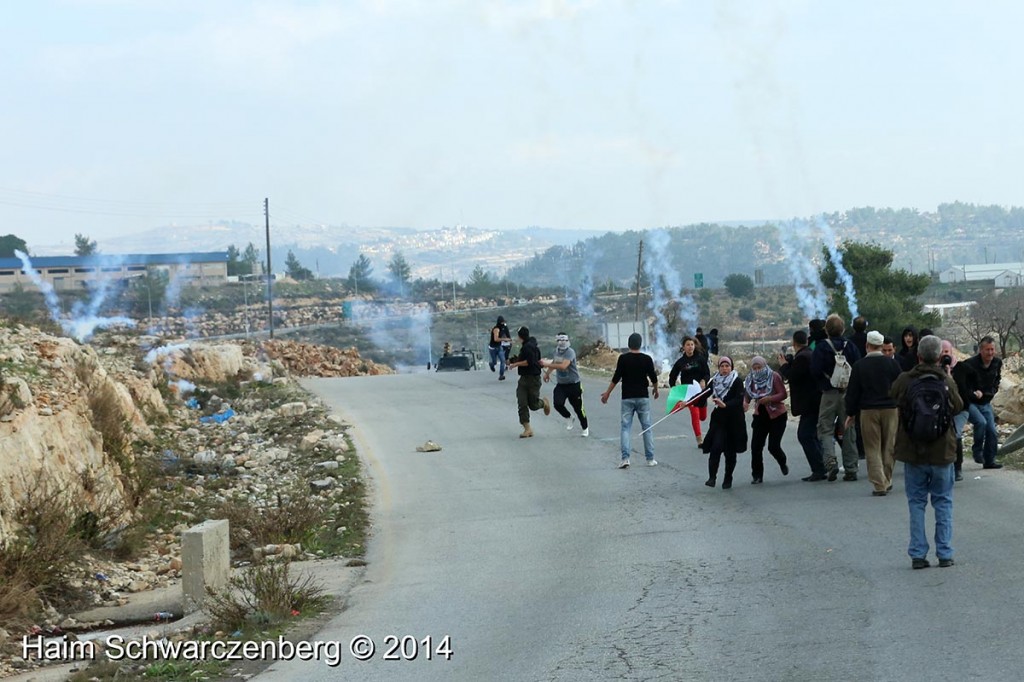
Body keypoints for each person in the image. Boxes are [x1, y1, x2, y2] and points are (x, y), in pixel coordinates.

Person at [890, 335, 963, 569]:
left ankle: (918, 554)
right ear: (939, 356)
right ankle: (945, 553)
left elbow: (893, 396)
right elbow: (959, 405)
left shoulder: (905, 379)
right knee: (943, 502)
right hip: (942, 451)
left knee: (916, 502)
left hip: (913, 451)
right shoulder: (945, 380)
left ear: (918, 356)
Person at [844, 331, 902, 496]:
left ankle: (879, 484)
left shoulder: (859, 366)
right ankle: (887, 479)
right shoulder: (892, 364)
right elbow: (901, 387)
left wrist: (850, 413)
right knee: (889, 446)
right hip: (890, 409)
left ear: (867, 346)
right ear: (882, 346)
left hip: (868, 411)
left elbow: (853, 392)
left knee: (872, 448)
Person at [811, 314, 862, 481]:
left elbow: (815, 370)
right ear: (843, 329)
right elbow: (858, 366)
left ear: (826, 330)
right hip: (847, 393)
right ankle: (851, 468)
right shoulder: (851, 346)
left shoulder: (821, 347)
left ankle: (830, 461)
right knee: (848, 429)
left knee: (825, 428)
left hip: (829, 393)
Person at [601, 332, 659, 469]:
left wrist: (607, 393)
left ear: (628, 344)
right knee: (647, 428)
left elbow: (616, 378)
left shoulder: (623, 358)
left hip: (627, 397)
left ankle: (625, 458)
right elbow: (654, 377)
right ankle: (650, 458)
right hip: (643, 397)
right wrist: (656, 390)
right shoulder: (647, 359)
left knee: (625, 428)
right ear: (641, 344)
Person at [779, 330, 826, 481]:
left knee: (805, 435)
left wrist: (784, 366)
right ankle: (822, 466)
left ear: (794, 343)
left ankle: (819, 468)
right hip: (815, 401)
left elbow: (793, 376)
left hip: (809, 403)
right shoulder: (809, 354)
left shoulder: (803, 358)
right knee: (812, 435)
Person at [701, 356, 747, 489]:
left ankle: (728, 478)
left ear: (731, 367)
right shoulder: (715, 381)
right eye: (722, 366)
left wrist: (725, 404)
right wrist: (688, 402)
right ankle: (712, 477)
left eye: (727, 366)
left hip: (734, 420)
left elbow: (739, 399)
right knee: (715, 448)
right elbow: (703, 395)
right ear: (719, 368)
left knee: (730, 452)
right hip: (719, 420)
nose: (725, 369)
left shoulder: (737, 381)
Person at [743, 355, 789, 484]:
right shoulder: (751, 378)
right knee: (756, 446)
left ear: (765, 366)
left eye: (759, 367)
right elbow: (747, 393)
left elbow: (783, 394)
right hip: (760, 415)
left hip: (777, 415)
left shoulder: (773, 376)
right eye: (755, 368)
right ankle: (757, 475)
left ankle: (782, 461)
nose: (757, 370)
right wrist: (745, 402)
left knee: (773, 446)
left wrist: (770, 398)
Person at [962, 336, 1003, 469]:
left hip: (985, 402)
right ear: (981, 350)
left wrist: (992, 391)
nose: (990, 353)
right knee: (981, 422)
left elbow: (997, 379)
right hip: (970, 402)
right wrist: (973, 392)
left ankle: (989, 460)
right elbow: (962, 384)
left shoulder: (997, 363)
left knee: (991, 430)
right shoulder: (969, 364)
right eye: (987, 350)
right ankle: (977, 450)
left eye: (992, 349)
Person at [542, 332, 589, 438]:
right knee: (557, 403)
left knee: (578, 408)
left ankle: (585, 427)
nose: (562, 342)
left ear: (567, 340)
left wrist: (546, 364)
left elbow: (563, 366)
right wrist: (547, 373)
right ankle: (568, 417)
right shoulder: (557, 352)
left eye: (564, 340)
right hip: (561, 384)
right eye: (559, 340)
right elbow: (556, 363)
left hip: (574, 384)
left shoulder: (570, 352)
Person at [507, 326, 550, 438]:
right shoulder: (528, 346)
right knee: (522, 403)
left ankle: (544, 403)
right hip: (523, 379)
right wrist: (513, 360)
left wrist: (515, 364)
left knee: (533, 405)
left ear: (520, 336)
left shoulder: (529, 347)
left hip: (533, 379)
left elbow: (528, 362)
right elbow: (525, 359)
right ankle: (527, 429)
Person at [669, 336, 711, 446]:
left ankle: (700, 435)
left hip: (701, 391)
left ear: (694, 346)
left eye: (692, 345)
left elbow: (707, 373)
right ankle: (699, 440)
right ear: (683, 347)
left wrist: (703, 380)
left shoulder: (700, 359)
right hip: (688, 393)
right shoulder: (680, 362)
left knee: (703, 416)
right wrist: (675, 391)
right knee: (695, 414)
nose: (690, 347)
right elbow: (672, 377)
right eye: (687, 345)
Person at [945, 340, 969, 482]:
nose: (944, 355)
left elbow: (962, 391)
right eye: (942, 352)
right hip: (944, 410)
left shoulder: (961, 368)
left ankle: (957, 467)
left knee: (956, 435)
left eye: (946, 352)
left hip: (960, 409)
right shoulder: (935, 369)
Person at [488, 315, 513, 381]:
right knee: (494, 362)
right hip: (493, 348)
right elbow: (496, 339)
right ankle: (491, 364)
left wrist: (509, 340)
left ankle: (501, 375)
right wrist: (505, 339)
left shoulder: (503, 328)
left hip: (499, 347)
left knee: (503, 361)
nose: (503, 324)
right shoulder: (496, 329)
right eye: (502, 323)